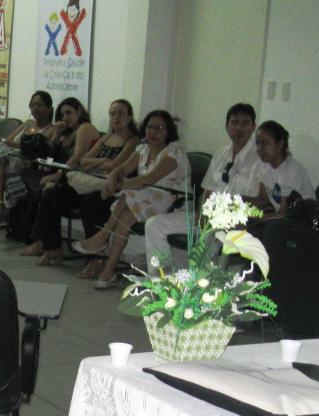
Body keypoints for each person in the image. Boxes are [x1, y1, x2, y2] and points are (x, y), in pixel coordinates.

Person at [71, 109, 190, 288]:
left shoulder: (173, 152)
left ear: (169, 131)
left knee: (128, 194)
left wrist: (118, 186)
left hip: (173, 202)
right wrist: (113, 177)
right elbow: (123, 168)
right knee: (126, 216)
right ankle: (108, 271)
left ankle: (101, 237)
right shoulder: (143, 149)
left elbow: (147, 180)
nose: (153, 132)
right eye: (150, 127)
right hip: (146, 199)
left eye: (159, 128)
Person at [144, 103, 260, 268]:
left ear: (253, 127)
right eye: (234, 122)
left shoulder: (260, 158)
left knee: (209, 244)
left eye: (245, 123)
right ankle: (163, 278)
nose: (239, 128)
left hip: (237, 221)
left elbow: (260, 200)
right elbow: (207, 190)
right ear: (227, 127)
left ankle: (204, 276)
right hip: (209, 217)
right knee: (154, 225)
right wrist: (203, 213)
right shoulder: (221, 154)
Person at [31, 98, 139, 268]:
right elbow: (83, 160)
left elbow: (115, 166)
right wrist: (102, 161)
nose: (116, 117)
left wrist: (99, 163)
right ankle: (52, 247)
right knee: (51, 195)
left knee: (90, 205)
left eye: (121, 114)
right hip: (90, 182)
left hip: (111, 188)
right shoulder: (107, 138)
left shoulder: (133, 141)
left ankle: (95, 259)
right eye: (112, 114)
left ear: (129, 117)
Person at [21, 96, 100, 259]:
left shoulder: (85, 128)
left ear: (79, 111)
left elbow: (77, 157)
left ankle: (44, 243)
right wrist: (56, 133)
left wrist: (57, 176)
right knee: (32, 178)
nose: (65, 118)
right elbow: (49, 154)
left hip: (78, 179)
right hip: (65, 175)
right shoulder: (67, 132)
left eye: (69, 113)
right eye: (62, 115)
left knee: (49, 193)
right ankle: (45, 243)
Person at [0, 90, 57, 226]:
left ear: (49, 108)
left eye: (39, 105)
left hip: (28, 165)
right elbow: (8, 141)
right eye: (33, 105)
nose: (35, 108)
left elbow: (35, 150)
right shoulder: (28, 123)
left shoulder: (52, 130)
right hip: (8, 159)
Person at [252, 120, 314, 215]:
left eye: (265, 143)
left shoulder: (292, 170)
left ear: (280, 145)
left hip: (302, 219)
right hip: (281, 217)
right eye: (257, 143)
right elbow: (263, 200)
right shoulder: (263, 165)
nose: (260, 148)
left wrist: (261, 218)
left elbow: (283, 213)